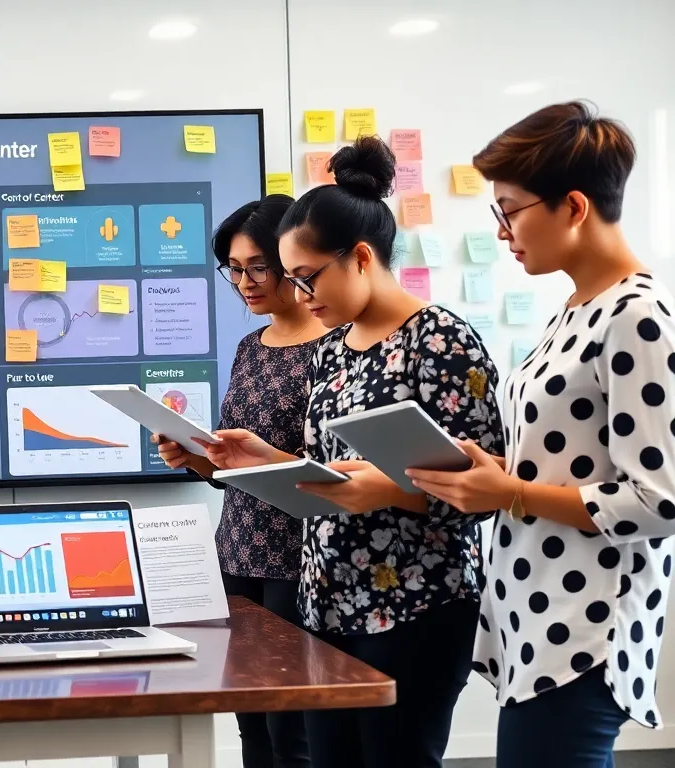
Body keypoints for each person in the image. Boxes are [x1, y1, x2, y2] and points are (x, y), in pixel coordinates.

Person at [191, 136, 505, 768]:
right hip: (327, 599)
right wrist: (259, 456)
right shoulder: (336, 349)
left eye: (307, 278)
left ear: (361, 257)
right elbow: (325, 473)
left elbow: (481, 489)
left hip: (414, 605)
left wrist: (384, 489)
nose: (301, 297)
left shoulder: (440, 339)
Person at [406, 102, 675, 768]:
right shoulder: (579, 308)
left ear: (574, 207)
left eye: (509, 210)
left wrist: (511, 494)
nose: (502, 232)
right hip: (539, 615)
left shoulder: (637, 316)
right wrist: (493, 471)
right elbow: (568, 460)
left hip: (585, 628)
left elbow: (659, 498)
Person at [155, 194, 324, 768]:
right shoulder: (250, 348)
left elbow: (329, 463)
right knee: (249, 718)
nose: (246, 282)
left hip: (299, 554)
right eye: (234, 269)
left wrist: (259, 458)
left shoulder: (336, 346)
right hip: (238, 549)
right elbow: (233, 469)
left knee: (292, 729)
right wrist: (197, 458)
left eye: (258, 267)